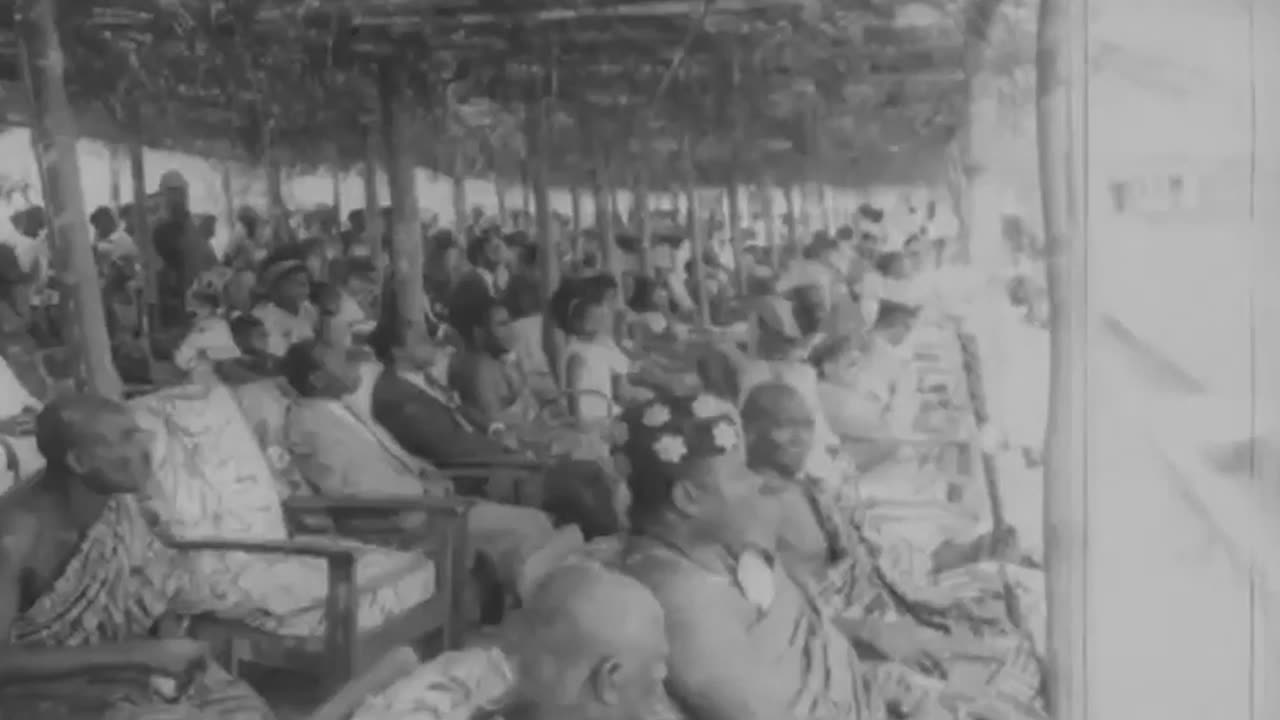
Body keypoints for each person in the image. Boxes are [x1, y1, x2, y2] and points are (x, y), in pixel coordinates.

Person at [613, 391, 885, 720]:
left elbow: (807, 633)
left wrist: (873, 637)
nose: (755, 482)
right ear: (687, 498)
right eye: (739, 474)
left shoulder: (713, 544)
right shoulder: (683, 606)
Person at [0, 394, 275, 719]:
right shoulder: (13, 538)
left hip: (123, 667)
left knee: (242, 709)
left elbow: (152, 593)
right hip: (36, 691)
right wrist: (138, 655)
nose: (147, 450)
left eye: (140, 433)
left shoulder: (118, 505)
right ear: (79, 461)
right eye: (126, 440)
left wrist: (171, 656)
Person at [280, 339, 561, 602]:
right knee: (531, 527)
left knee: (536, 525)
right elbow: (352, 488)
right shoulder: (308, 425)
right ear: (317, 379)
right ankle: (544, 615)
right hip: (400, 521)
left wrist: (425, 473)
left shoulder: (339, 408)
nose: (353, 365)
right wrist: (421, 490)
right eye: (341, 362)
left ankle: (528, 606)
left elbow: (391, 456)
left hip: (428, 504)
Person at [349, 562, 673, 720]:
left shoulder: (487, 675)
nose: (658, 701)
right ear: (609, 679)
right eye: (655, 677)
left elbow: (400, 660)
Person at [448, 296, 529, 435]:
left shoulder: (497, 359)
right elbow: (497, 428)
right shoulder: (481, 369)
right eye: (502, 324)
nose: (512, 330)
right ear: (478, 332)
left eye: (510, 322)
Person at [563, 282, 637, 424]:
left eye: (601, 319)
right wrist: (577, 419)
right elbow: (572, 390)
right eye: (594, 319)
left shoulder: (602, 345)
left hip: (605, 409)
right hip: (588, 414)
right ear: (578, 323)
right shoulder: (577, 351)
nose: (600, 323)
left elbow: (623, 368)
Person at [252, 257, 317, 356]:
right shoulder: (260, 317)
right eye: (299, 284)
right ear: (279, 286)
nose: (306, 290)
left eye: (306, 283)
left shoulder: (309, 310)